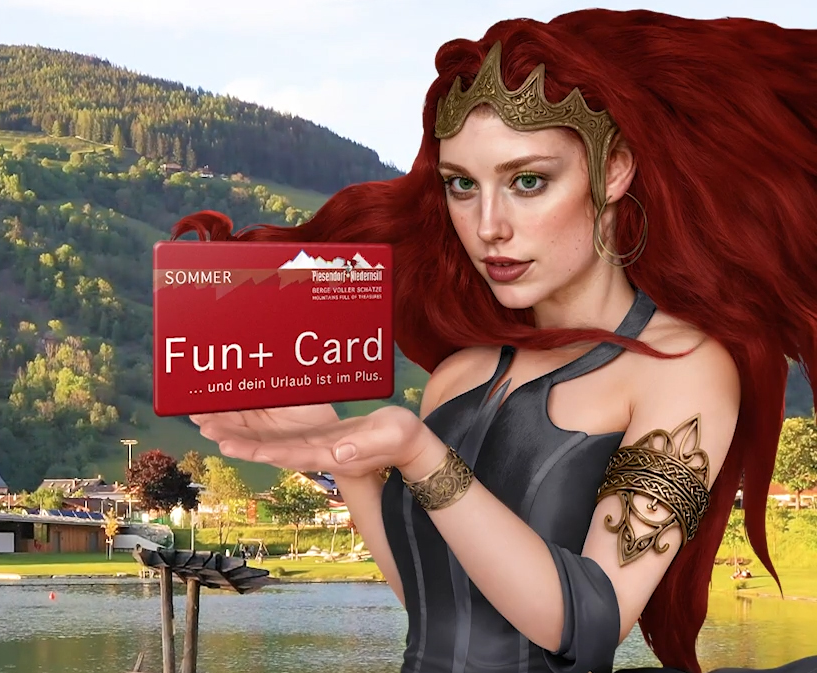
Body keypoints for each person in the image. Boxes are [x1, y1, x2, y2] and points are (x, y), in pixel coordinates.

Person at [178, 10, 817, 673]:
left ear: (614, 169)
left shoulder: (683, 366)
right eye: (463, 185)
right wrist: (341, 451)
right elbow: (434, 604)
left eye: (527, 181)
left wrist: (421, 455)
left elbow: (591, 625)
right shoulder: (462, 373)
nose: (488, 226)